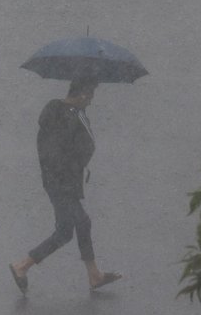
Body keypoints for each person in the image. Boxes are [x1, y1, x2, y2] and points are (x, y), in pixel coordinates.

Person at [9, 75, 122, 294]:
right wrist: (80, 133)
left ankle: (25, 266)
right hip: (64, 181)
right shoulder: (75, 116)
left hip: (53, 178)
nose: (91, 101)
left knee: (65, 231)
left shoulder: (54, 111)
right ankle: (23, 266)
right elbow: (87, 147)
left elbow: (51, 147)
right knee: (81, 222)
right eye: (91, 96)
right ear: (82, 95)